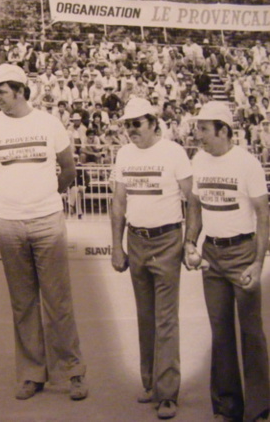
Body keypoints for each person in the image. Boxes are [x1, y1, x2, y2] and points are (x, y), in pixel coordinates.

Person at [0, 64, 88, 402]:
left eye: (1, 91)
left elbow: (68, 170)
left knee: (58, 301)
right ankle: (31, 374)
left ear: (21, 90)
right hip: (7, 223)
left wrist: (42, 196)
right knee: (22, 302)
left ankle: (74, 372)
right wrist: (12, 200)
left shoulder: (49, 123)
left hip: (47, 219)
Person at [110, 97, 194, 420]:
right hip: (137, 239)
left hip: (168, 239)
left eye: (137, 123)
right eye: (127, 124)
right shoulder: (123, 154)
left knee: (166, 319)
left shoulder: (173, 153)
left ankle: (168, 392)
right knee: (145, 316)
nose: (131, 130)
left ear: (153, 123)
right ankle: (150, 384)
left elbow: (192, 199)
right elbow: (118, 202)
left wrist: (189, 243)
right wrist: (117, 246)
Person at [185, 101, 270, 422]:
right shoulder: (199, 160)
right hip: (212, 257)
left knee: (251, 331)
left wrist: (258, 263)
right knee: (220, 333)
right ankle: (227, 407)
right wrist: (190, 243)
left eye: (204, 129)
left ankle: (259, 408)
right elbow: (194, 205)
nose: (199, 135)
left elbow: (263, 215)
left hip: (243, 253)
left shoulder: (246, 164)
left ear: (223, 130)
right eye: (198, 128)